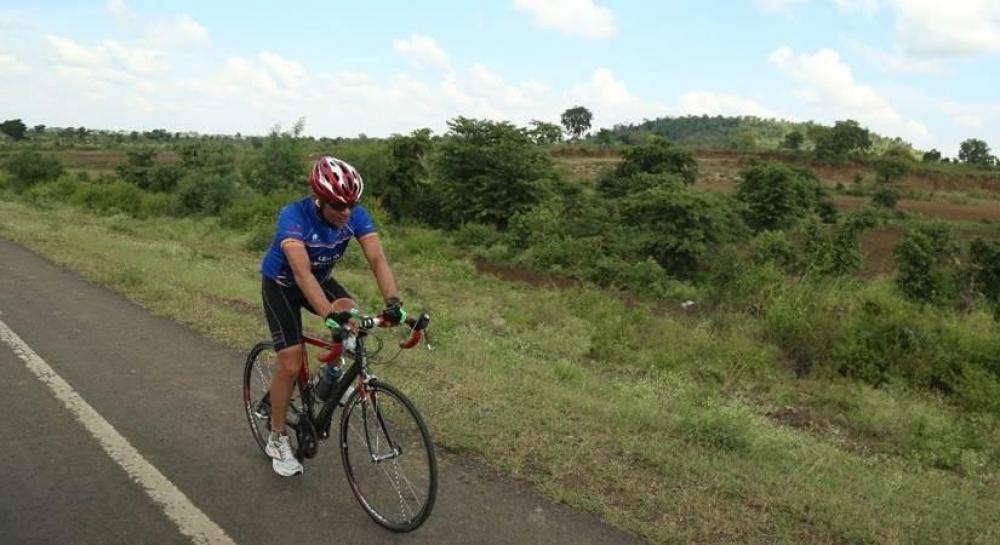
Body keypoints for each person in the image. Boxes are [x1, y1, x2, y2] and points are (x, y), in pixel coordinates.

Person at [259, 156, 405, 476]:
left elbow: (377, 259)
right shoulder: (293, 217)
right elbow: (300, 273)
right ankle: (277, 437)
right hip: (283, 285)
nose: (345, 213)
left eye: (351, 205)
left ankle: (330, 378)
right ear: (320, 199)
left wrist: (393, 302)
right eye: (338, 206)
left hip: (321, 280)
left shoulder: (355, 215)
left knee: (351, 315)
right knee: (290, 362)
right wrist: (327, 315)